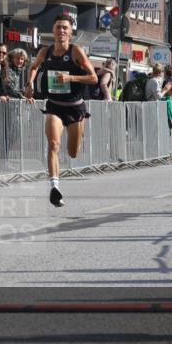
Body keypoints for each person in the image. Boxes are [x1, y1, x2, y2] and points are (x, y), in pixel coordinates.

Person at [27, 14, 97, 207]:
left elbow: (93, 78)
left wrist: (71, 79)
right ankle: (54, 187)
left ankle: (80, 131)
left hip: (75, 108)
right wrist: (30, 83)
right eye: (58, 27)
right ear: (53, 31)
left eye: (65, 28)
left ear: (71, 32)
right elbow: (33, 67)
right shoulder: (46, 51)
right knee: (53, 144)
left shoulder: (76, 52)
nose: (61, 31)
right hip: (55, 105)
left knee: (73, 152)